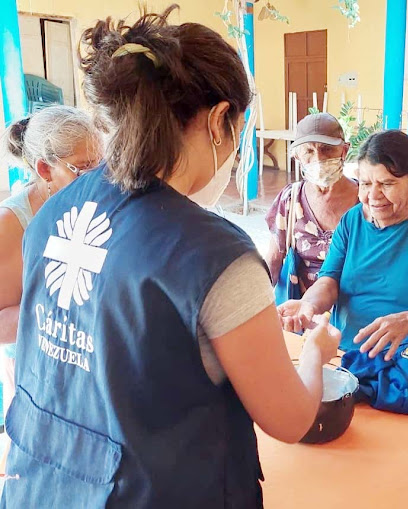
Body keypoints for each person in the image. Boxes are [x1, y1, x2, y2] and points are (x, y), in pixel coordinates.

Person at [1, 7, 339, 508]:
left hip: (41, 485)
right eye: (239, 134)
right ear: (221, 120)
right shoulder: (212, 256)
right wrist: (315, 352)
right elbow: (288, 418)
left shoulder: (53, 212)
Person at [278, 130, 408, 381]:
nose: (373, 196)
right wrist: (309, 305)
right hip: (349, 360)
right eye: (365, 183)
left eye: (387, 184)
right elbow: (329, 281)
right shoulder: (353, 221)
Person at [0, 105, 103, 421]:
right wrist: (70, 310)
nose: (98, 179)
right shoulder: (11, 223)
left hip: (87, 362)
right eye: (83, 169)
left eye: (103, 166)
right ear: (44, 170)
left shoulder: (92, 201)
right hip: (37, 371)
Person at [265, 113, 358, 300]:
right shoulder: (290, 199)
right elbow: (274, 260)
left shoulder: (365, 200)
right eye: (308, 151)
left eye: (326, 149)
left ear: (344, 151)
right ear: (297, 156)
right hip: (302, 313)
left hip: (353, 312)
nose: (318, 159)